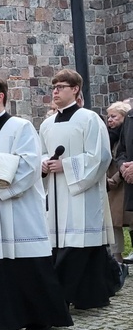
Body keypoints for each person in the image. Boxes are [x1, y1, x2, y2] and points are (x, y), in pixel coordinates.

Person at [0, 77, 72, 330]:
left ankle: (39, 318)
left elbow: (30, 167)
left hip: (17, 210)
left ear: (0, 97)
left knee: (25, 266)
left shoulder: (20, 128)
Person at [39, 69, 115, 309]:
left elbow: (101, 156)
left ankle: (76, 295)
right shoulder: (46, 124)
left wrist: (67, 166)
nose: (55, 91)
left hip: (81, 194)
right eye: (53, 87)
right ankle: (85, 294)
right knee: (59, 245)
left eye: (61, 86)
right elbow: (40, 151)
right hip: (55, 192)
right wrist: (43, 164)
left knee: (80, 247)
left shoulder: (89, 119)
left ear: (75, 90)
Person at [105, 101, 132, 264]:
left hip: (125, 184)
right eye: (108, 117)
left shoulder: (128, 131)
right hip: (112, 188)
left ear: (124, 116)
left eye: (114, 116)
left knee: (131, 220)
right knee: (114, 224)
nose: (110, 120)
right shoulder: (109, 137)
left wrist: (117, 177)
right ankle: (117, 259)